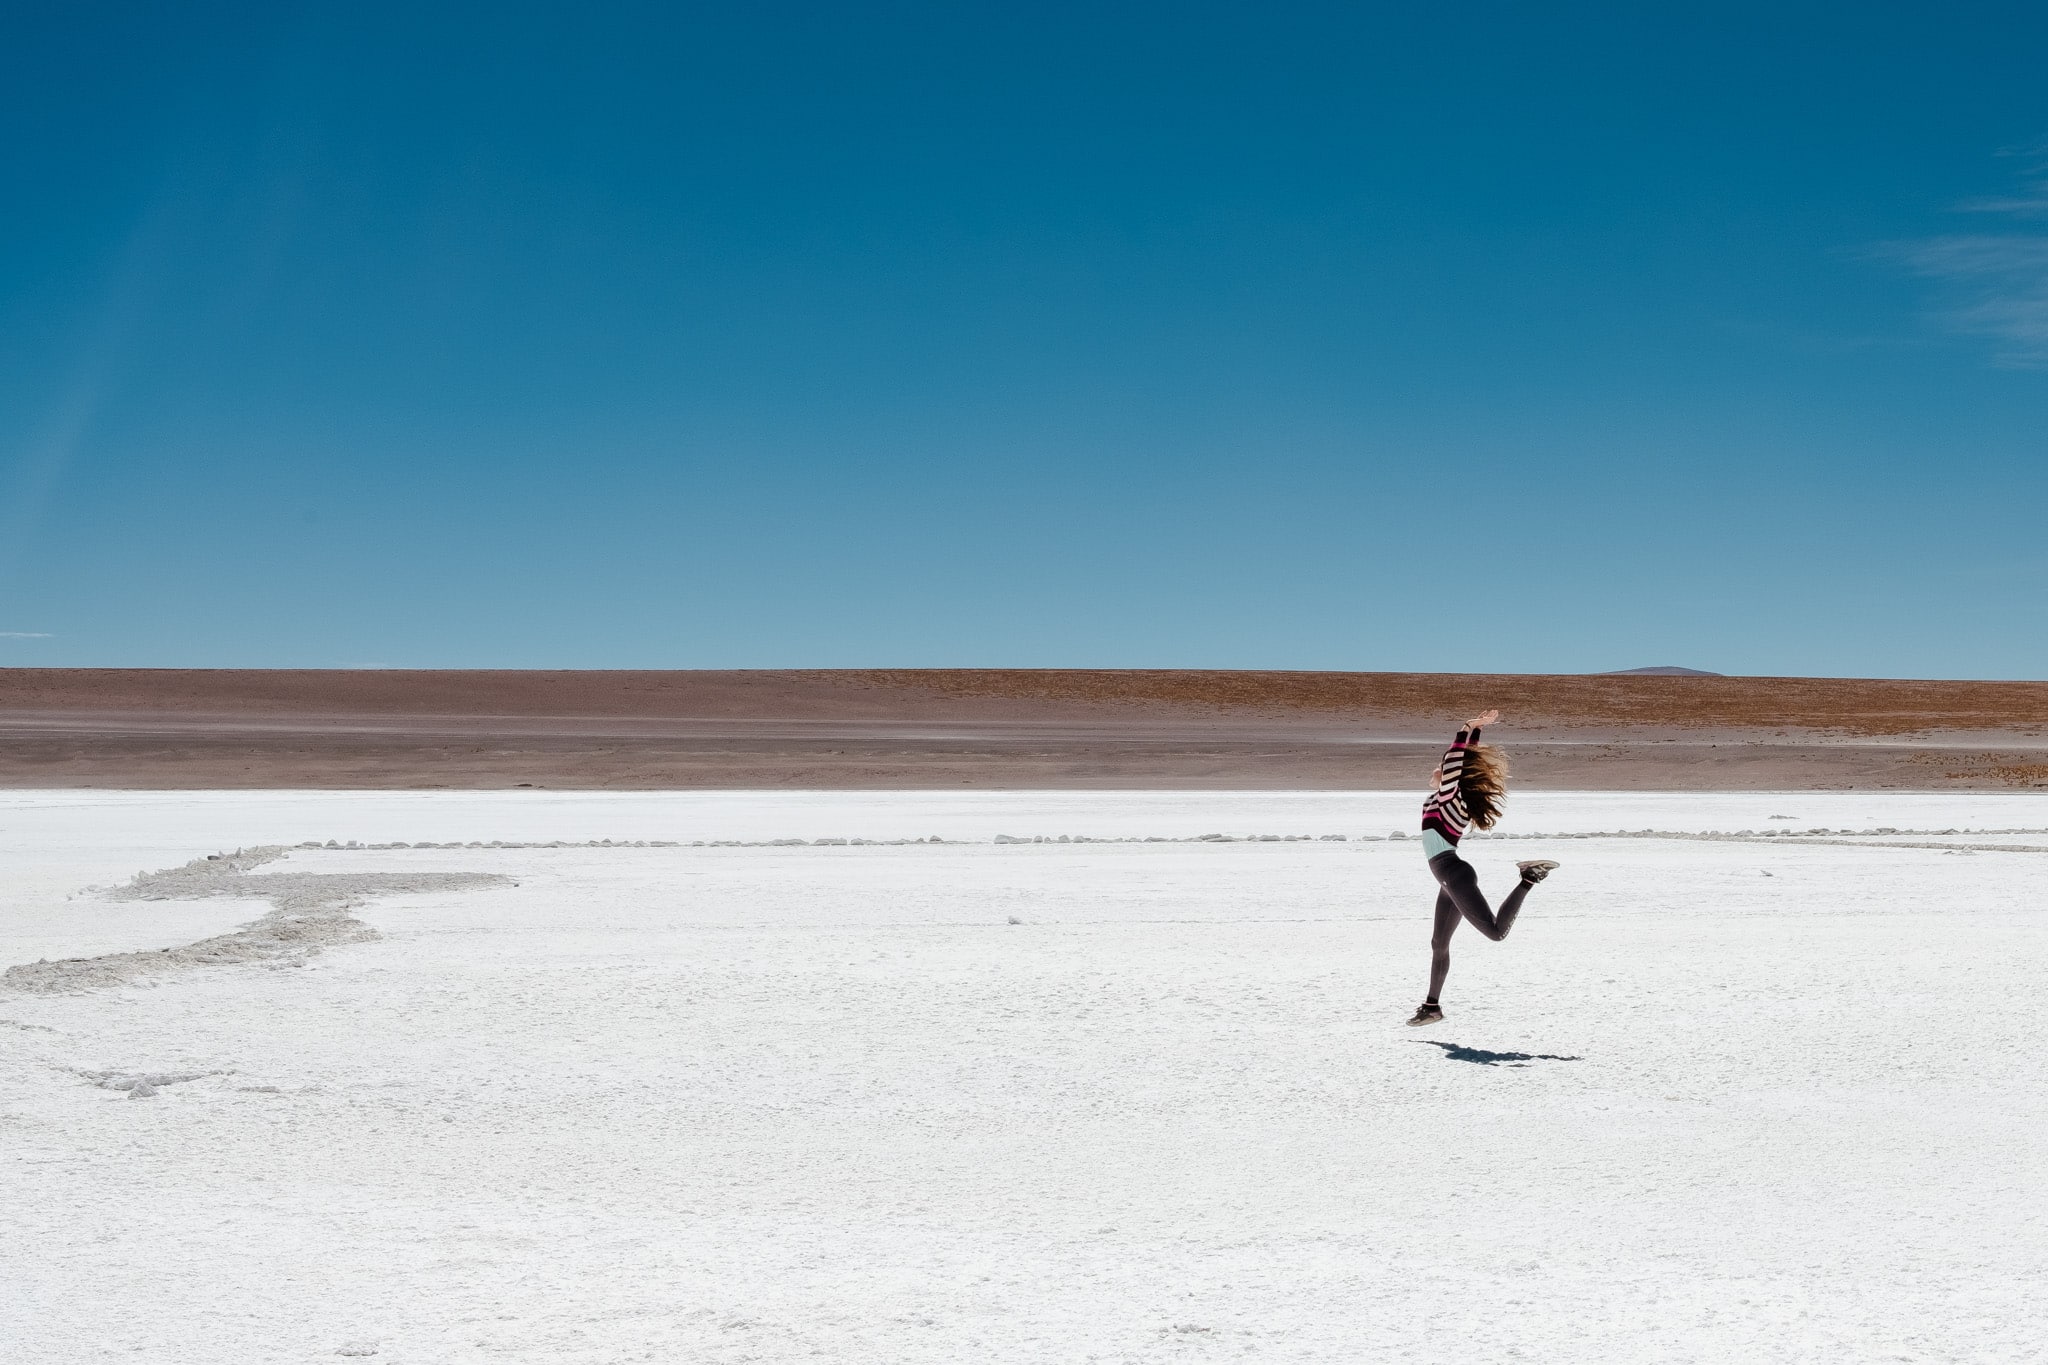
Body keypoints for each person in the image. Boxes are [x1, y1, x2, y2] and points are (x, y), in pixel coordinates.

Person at [1406, 709, 1558, 1026]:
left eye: (1443, 768)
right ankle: (1431, 1006)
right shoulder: (1442, 797)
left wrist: (1466, 728)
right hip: (1448, 879)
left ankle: (1528, 878)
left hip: (1454, 873)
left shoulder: (1452, 796)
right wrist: (1476, 734)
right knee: (1439, 943)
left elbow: (1454, 761)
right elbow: (1462, 761)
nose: (1437, 768)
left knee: (1496, 932)